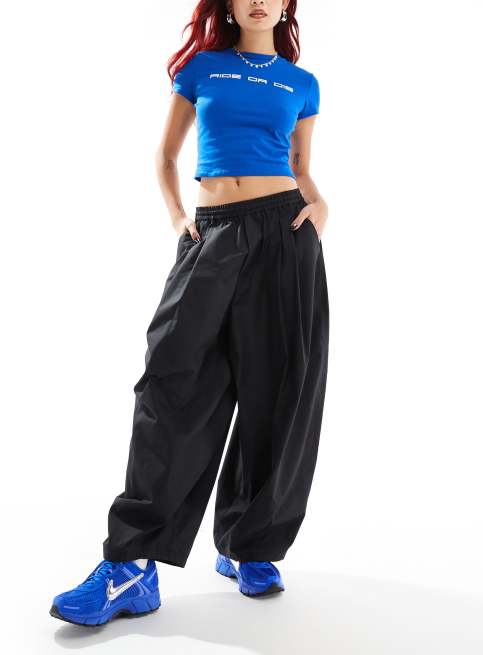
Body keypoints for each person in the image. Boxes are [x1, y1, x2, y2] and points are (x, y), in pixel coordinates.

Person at [50, 0, 329, 626]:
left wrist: (321, 207)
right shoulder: (200, 68)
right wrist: (179, 219)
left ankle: (250, 545)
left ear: (286, 4)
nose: (258, 0)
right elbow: (166, 157)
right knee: (171, 382)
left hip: (285, 234)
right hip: (213, 232)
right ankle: (131, 566)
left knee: (279, 390)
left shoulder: (302, 83)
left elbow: (301, 168)